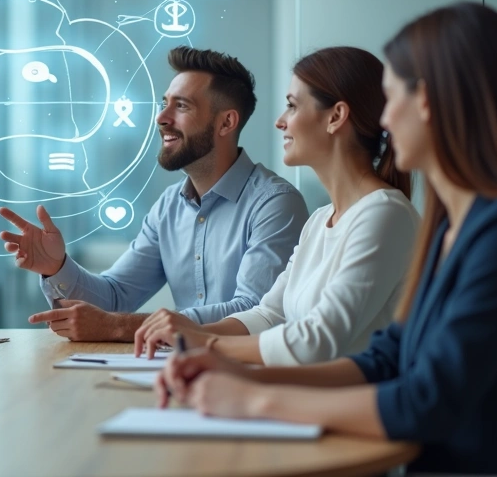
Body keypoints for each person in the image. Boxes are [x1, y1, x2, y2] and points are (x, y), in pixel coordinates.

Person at [158, 2, 497, 474]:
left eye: (392, 100)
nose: (384, 122)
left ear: (428, 101)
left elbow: (426, 401)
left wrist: (256, 398)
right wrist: (233, 372)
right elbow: (388, 358)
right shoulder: (455, 228)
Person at [0, 47, 309, 342]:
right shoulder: (169, 208)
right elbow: (114, 297)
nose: (162, 118)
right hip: (183, 371)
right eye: (165, 103)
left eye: (182, 105)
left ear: (226, 122)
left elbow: (255, 313)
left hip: (251, 379)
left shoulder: (275, 204)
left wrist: (119, 326)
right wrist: (57, 266)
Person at [135, 47, 418, 366]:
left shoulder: (385, 214)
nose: (280, 122)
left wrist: (205, 343)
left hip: (346, 410)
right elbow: (269, 314)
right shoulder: (320, 221)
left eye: (292, 107)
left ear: (336, 117)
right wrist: (186, 334)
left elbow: (315, 341)